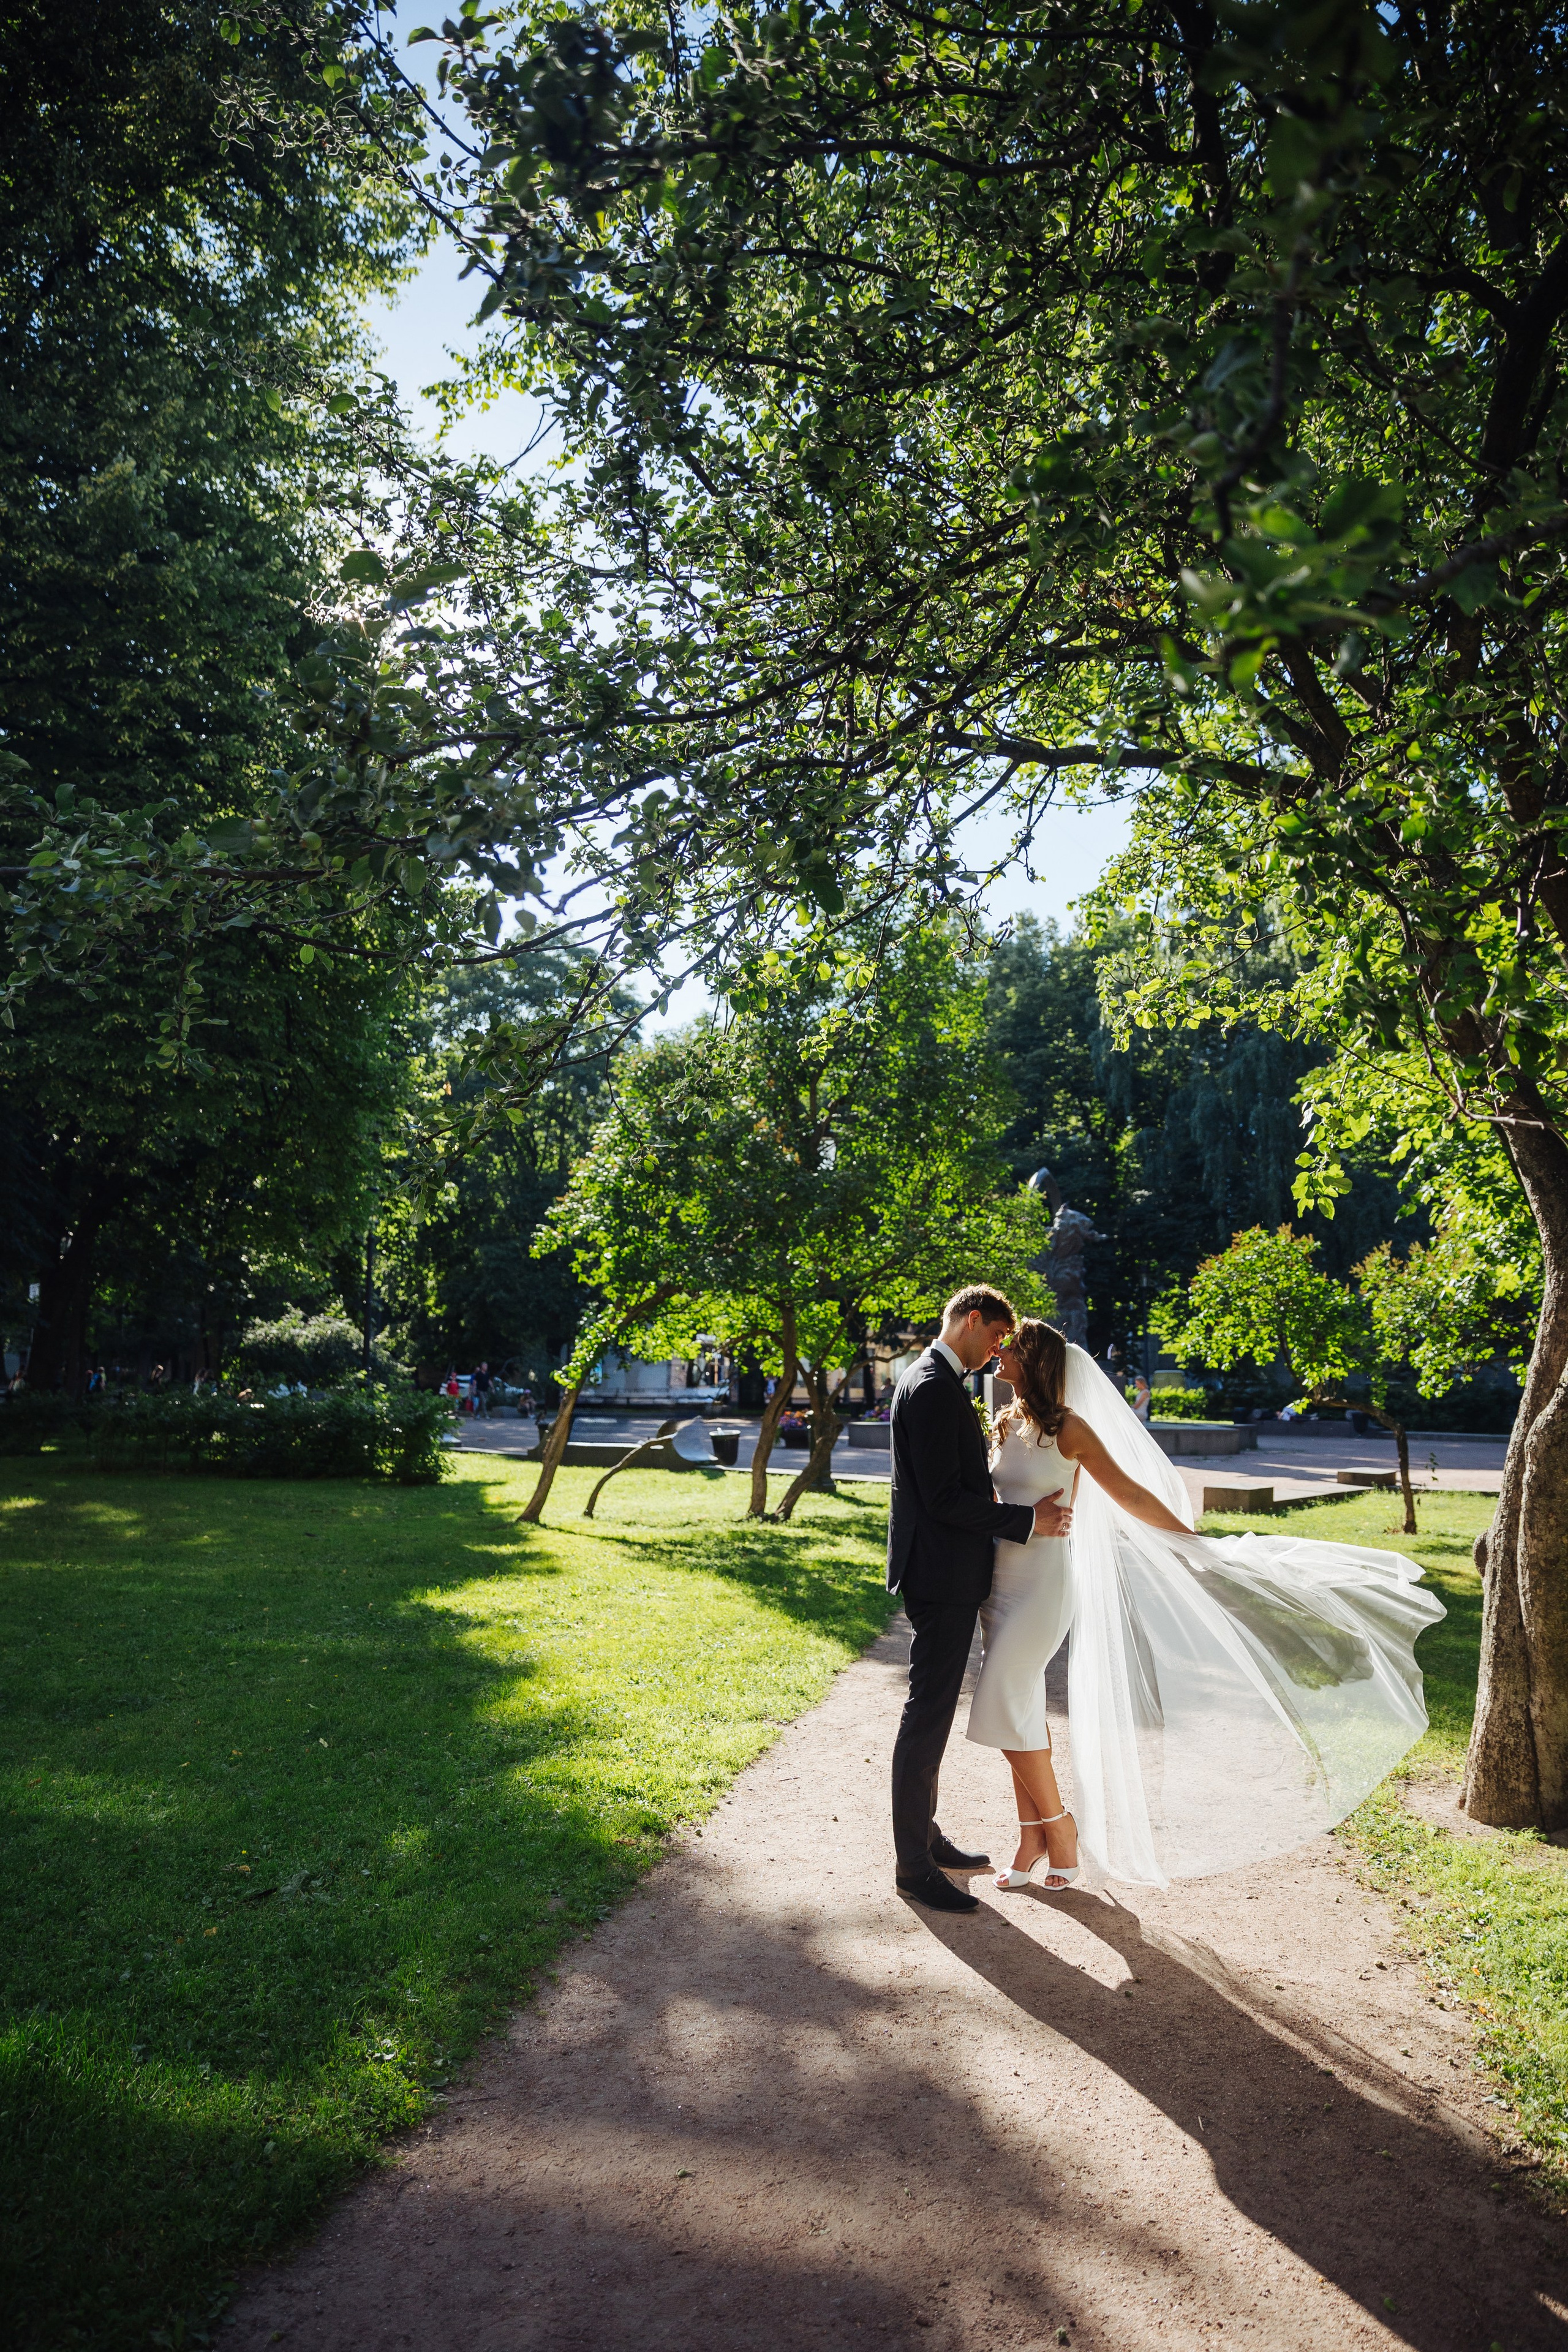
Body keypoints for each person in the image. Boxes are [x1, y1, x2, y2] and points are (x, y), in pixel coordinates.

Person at [966, 1317, 1446, 1891]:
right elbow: (995, 1500)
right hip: (1000, 1584)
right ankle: (1033, 1838)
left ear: (1036, 1361)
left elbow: (1128, 1493)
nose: (999, 1353)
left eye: (1011, 1348)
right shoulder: (1003, 1423)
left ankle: (1060, 1827)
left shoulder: (1069, 1428)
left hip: (1044, 1585)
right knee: (1018, 1709)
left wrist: (1188, 1540)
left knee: (1003, 1698)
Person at [886, 1286, 1073, 1915]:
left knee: (932, 1714)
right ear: (972, 1320)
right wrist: (1026, 1521)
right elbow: (944, 1500)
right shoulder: (933, 1386)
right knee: (927, 1716)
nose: (998, 1349)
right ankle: (913, 1867)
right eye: (995, 1335)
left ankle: (926, 1838)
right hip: (940, 1577)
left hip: (943, 1571)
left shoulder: (935, 1378)